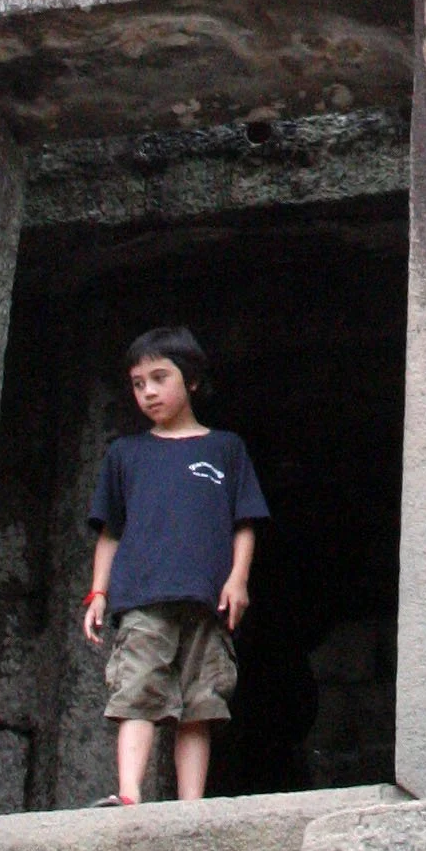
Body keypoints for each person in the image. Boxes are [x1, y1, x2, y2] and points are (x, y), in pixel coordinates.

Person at [83, 326, 269, 804]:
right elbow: (110, 530)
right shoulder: (126, 454)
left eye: (159, 378)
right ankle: (128, 793)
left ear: (191, 381)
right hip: (142, 596)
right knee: (137, 693)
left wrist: (238, 580)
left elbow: (243, 522)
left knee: (200, 704)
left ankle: (191, 806)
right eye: (138, 382)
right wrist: (98, 593)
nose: (147, 391)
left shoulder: (225, 448)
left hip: (207, 599)